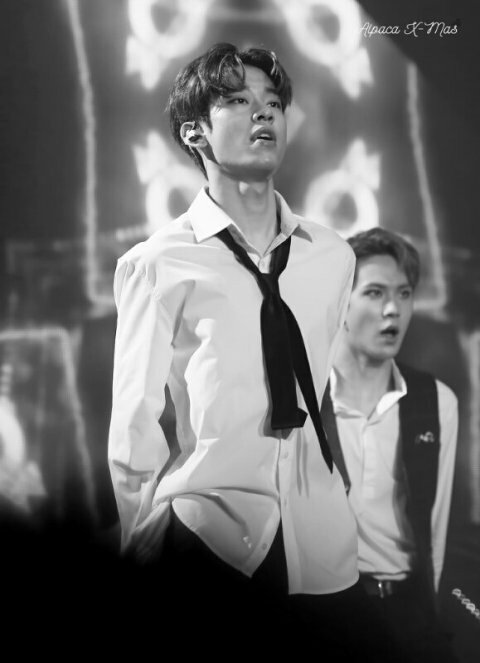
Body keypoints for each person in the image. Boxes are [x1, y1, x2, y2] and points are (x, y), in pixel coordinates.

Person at [108, 43, 400, 658]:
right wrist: (142, 538)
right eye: (238, 101)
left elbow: (320, 386)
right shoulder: (157, 262)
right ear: (195, 133)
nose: (263, 113)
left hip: (322, 539)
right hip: (209, 533)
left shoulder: (332, 256)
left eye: (272, 102)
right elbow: (133, 421)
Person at [321, 227, 459, 662]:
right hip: (323, 610)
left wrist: (433, 618)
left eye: (404, 294)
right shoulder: (304, 398)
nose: (392, 310)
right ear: (340, 302)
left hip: (406, 612)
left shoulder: (436, 402)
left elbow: (436, 531)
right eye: (375, 292)